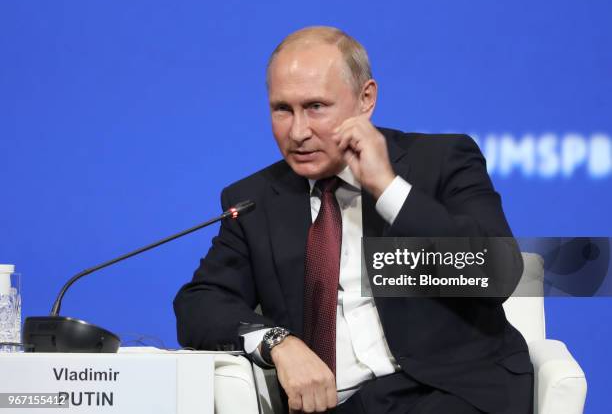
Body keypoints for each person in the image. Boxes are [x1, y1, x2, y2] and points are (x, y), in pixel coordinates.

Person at [174, 26, 533, 413]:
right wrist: (278, 341)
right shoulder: (255, 201)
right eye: (282, 109)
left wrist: (388, 188)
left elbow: (496, 275)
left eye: (315, 107)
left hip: (450, 392)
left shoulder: (442, 161)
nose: (298, 132)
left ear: (366, 99)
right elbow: (200, 304)